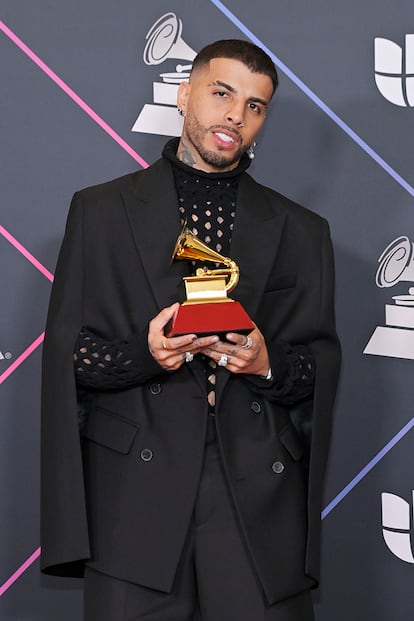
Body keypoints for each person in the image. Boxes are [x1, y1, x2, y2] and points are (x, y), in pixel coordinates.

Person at [41, 39, 341, 621]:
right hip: (133, 499)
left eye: (255, 106)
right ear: (184, 95)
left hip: (256, 499)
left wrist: (265, 363)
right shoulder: (100, 210)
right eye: (222, 93)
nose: (236, 115)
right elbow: (68, 355)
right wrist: (145, 353)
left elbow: (318, 367)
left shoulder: (304, 231)